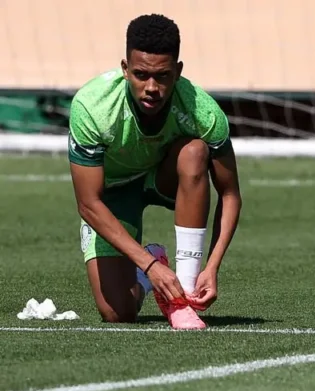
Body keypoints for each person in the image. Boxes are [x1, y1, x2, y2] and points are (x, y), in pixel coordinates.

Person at [68, 13, 242, 330]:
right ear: (124, 69)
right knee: (117, 313)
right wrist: (149, 267)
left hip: (166, 179)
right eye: (140, 74)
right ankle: (153, 263)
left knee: (194, 152)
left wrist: (213, 266)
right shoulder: (92, 107)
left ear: (177, 71)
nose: (151, 87)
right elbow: (88, 203)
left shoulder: (202, 110)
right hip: (113, 193)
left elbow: (230, 193)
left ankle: (184, 297)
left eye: (162, 76)